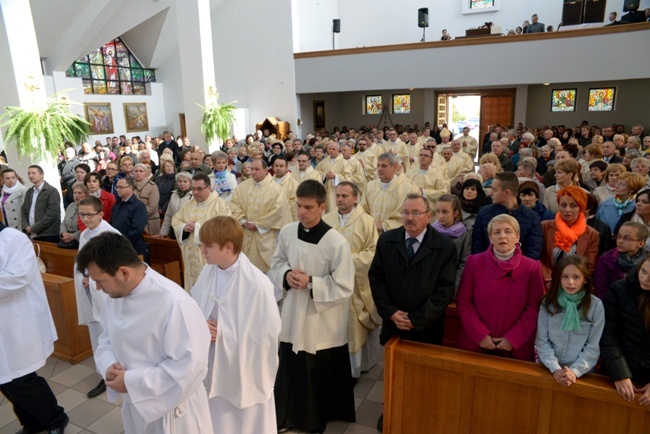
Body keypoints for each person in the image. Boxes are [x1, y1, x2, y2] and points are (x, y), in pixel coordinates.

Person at [76, 233, 213, 433]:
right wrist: (107, 366)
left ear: (124, 272)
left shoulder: (174, 303)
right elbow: (107, 336)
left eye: (100, 280)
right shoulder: (117, 294)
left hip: (173, 412)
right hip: (136, 404)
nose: (97, 287)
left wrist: (131, 382)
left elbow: (190, 366)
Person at [271, 180, 356, 434]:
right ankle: (286, 415)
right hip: (293, 311)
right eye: (298, 206)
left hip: (321, 319)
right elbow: (277, 261)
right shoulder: (287, 232)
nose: (302, 212)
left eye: (308, 207)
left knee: (316, 368)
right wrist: (285, 274)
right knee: (289, 362)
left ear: (322, 207)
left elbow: (344, 286)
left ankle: (314, 418)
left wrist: (311, 283)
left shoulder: (336, 242)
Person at [369, 193, 457, 432]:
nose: (410, 218)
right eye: (406, 213)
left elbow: (444, 290)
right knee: (393, 373)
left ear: (428, 216)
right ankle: (391, 411)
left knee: (423, 377)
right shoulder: (387, 240)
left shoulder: (444, 247)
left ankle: (418, 415)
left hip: (425, 326)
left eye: (416, 213)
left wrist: (416, 319)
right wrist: (390, 312)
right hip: (393, 322)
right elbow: (376, 278)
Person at [189, 216, 280, 434]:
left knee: (241, 423)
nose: (202, 251)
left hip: (242, 367)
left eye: (208, 246)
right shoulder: (209, 270)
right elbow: (195, 306)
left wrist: (224, 333)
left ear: (228, 247)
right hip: (211, 358)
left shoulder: (257, 285)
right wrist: (202, 326)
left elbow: (267, 336)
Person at [0, 222, 69, 434]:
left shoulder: (13, 239)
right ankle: (32, 423)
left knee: (22, 378)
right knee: (5, 381)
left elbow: (18, 278)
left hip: (17, 319)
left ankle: (55, 419)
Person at [457, 214, 545, 361]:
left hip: (515, 347)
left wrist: (513, 339)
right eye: (496, 232)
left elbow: (534, 308)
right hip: (475, 343)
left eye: (508, 231)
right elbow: (464, 302)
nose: (502, 236)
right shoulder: (474, 263)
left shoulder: (531, 268)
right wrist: (480, 335)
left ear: (517, 237)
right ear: (490, 238)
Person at [322, 182, 381, 378]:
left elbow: (372, 252)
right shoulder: (327, 219)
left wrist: (346, 262)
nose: (339, 199)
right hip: (329, 282)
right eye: (337, 195)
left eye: (344, 196)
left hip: (355, 284)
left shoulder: (366, 221)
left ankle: (354, 370)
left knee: (353, 325)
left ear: (355, 198)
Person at [74, 196, 121, 398]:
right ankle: (104, 374)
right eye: (82, 214)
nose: (85, 219)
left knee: (111, 335)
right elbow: (81, 262)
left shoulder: (111, 235)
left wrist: (92, 281)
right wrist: (83, 278)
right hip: (91, 293)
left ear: (101, 214)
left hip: (107, 295)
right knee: (97, 335)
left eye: (90, 215)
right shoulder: (84, 234)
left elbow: (117, 270)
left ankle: (117, 373)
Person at [536, 256, 605, 387]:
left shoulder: (596, 306)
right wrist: (555, 368)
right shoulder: (548, 303)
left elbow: (593, 346)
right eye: (565, 277)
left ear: (585, 279)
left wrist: (574, 372)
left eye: (576, 277)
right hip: (548, 369)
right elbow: (541, 340)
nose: (570, 282)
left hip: (581, 373)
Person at [600, 256, 650, 405]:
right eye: (644, 271)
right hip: (616, 375)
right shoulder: (619, 289)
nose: (646, 279)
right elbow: (608, 334)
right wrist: (620, 374)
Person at [230, 159, 292, 275]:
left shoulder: (275, 189)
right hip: (245, 234)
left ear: (265, 170)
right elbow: (234, 205)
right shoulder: (242, 187)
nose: (253, 172)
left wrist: (258, 225)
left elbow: (278, 211)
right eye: (252, 169)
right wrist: (243, 221)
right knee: (246, 272)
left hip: (266, 236)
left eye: (257, 169)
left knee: (268, 276)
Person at [172, 173, 232, 291]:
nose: (195, 192)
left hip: (209, 258)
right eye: (193, 189)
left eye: (199, 189)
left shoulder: (221, 205)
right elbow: (176, 220)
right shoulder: (190, 204)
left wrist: (198, 228)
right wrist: (184, 227)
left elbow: (224, 229)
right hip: (190, 257)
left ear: (209, 188)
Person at [472, 172, 543, 259]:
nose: (491, 193)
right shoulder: (484, 213)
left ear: (506, 193)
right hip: (488, 268)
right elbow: (477, 248)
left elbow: (533, 252)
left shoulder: (532, 218)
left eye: (494, 190)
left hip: (520, 269)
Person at [540, 186, 599, 285]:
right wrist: (550, 278)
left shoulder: (592, 234)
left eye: (573, 205)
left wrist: (570, 281)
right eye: (563, 205)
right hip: (547, 283)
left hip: (574, 284)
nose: (567, 210)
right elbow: (536, 258)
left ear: (582, 207)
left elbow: (589, 266)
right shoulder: (545, 227)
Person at [361, 153, 421, 234]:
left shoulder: (408, 188)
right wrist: (368, 224)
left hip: (396, 236)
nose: (379, 169)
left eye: (384, 166)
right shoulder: (370, 186)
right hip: (371, 233)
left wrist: (384, 226)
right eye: (378, 165)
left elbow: (409, 215)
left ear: (395, 167)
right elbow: (363, 210)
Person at [433, 194, 471, 292]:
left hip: (451, 282)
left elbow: (464, 263)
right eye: (438, 211)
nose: (440, 216)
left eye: (445, 212)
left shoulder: (464, 234)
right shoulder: (431, 232)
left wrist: (453, 288)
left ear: (455, 213)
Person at [21, 165, 62, 243]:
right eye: (29, 173)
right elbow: (24, 210)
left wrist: (34, 228)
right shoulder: (29, 192)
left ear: (42, 175)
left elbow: (51, 214)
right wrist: (25, 226)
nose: (30, 175)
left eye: (33, 173)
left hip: (48, 234)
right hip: (31, 233)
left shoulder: (51, 191)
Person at [405, 147, 450, 218]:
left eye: (426, 156)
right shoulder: (409, 173)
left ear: (431, 160)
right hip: (412, 211)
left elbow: (443, 192)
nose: (423, 157)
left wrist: (424, 192)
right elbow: (403, 190)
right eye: (421, 155)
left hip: (430, 213)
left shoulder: (437, 175)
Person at [110, 177, 148, 255]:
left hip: (132, 247)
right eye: (116, 187)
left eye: (120, 187)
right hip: (116, 245)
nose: (117, 190)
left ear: (130, 188)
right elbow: (112, 223)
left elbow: (137, 229)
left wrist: (122, 242)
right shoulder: (117, 204)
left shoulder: (139, 206)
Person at [158, 171, 192, 238]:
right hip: (173, 229)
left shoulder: (194, 196)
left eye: (185, 181)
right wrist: (163, 232)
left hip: (187, 232)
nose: (182, 184)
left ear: (190, 183)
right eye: (180, 181)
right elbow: (168, 215)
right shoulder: (174, 194)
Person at [133, 163, 160, 234]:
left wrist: (136, 216)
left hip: (148, 222)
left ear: (146, 173)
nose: (138, 173)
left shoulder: (152, 186)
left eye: (141, 171)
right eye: (136, 171)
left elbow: (152, 207)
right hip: (132, 222)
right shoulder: (129, 185)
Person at [59, 182, 88, 249]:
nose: (76, 195)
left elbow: (88, 226)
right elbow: (64, 222)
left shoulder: (88, 207)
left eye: (79, 193)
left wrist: (74, 236)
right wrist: (63, 233)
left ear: (86, 194)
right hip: (66, 239)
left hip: (81, 241)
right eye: (74, 193)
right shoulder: (71, 206)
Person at [272, 156, 299, 221]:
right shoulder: (268, 182)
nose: (278, 168)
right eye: (276, 166)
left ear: (286, 168)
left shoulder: (294, 184)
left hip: (286, 219)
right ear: (273, 167)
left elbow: (295, 202)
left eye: (281, 166)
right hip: (271, 219)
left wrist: (276, 208)